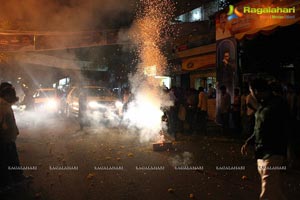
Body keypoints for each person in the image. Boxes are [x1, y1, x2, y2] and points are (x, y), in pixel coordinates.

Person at [241, 78, 288, 200]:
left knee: (267, 193)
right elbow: (259, 128)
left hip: (274, 153)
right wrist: (249, 141)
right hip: (261, 153)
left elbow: (288, 127)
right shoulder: (262, 105)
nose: (251, 95)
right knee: (275, 190)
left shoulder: (278, 104)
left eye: (251, 92)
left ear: (256, 91)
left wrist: (289, 151)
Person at [0, 82, 30, 191]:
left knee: (12, 160)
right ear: (6, 95)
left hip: (8, 139)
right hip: (5, 140)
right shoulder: (2, 106)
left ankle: (16, 179)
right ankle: (8, 183)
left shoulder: (5, 104)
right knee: (7, 162)